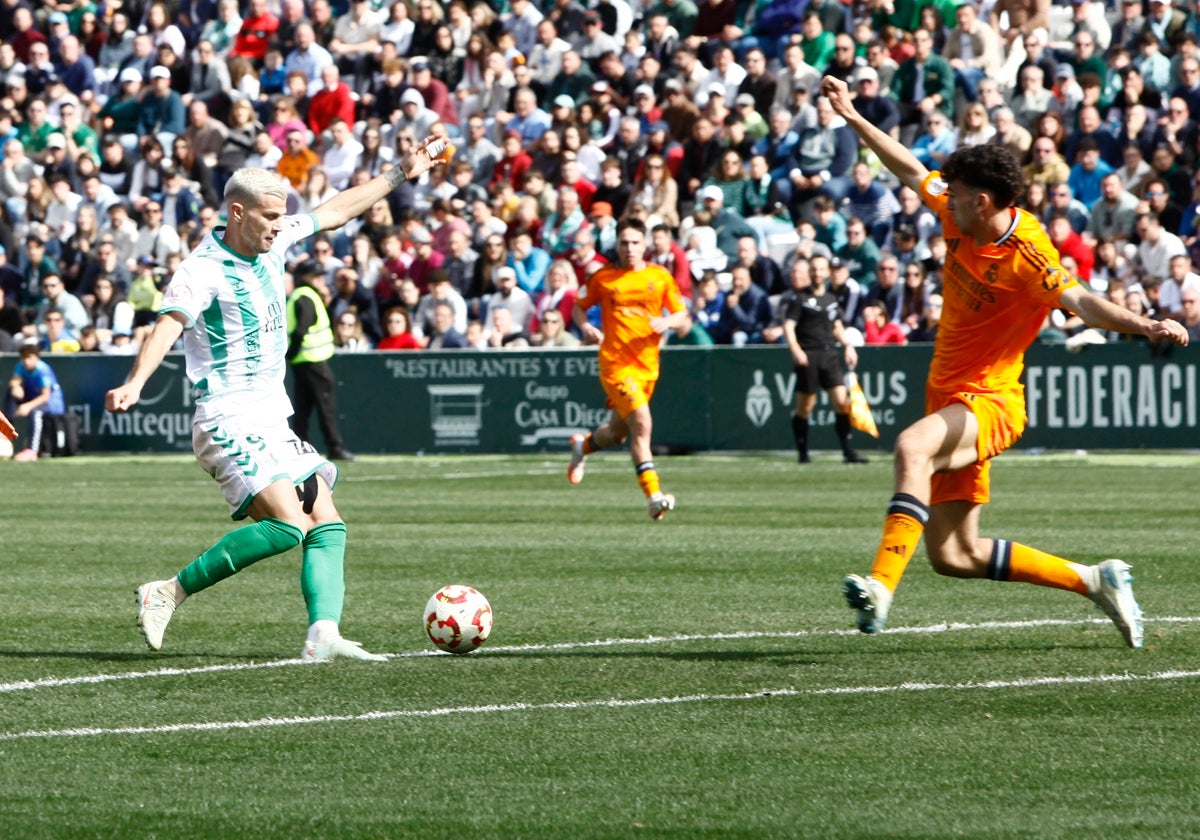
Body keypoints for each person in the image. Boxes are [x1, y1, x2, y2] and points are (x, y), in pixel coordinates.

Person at [820, 74, 1189, 649]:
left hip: (991, 400)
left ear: (982, 202)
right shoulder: (956, 207)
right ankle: (1094, 579)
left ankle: (880, 589)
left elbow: (1080, 300)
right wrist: (851, 116)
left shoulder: (1027, 254)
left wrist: (1144, 325)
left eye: (957, 193)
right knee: (954, 553)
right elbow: (911, 169)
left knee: (911, 447)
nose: (945, 198)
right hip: (946, 395)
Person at [104, 136, 449, 661]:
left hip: (270, 417)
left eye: (280, 217)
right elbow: (168, 325)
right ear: (237, 213)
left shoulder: (276, 236)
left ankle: (323, 635)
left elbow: (333, 212)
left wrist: (401, 172)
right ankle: (167, 591)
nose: (277, 225)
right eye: (268, 217)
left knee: (327, 522)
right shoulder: (203, 269)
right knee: (288, 525)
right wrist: (135, 383)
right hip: (225, 415)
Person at [567, 218, 688, 520]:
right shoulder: (604, 278)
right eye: (624, 242)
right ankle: (654, 497)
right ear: (617, 244)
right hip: (616, 364)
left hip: (647, 366)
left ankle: (582, 447)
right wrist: (585, 327)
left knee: (617, 433)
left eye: (635, 242)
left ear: (644, 245)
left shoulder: (659, 277)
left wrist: (667, 321)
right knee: (643, 424)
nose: (630, 248)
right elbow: (578, 306)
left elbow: (681, 313)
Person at [782, 259, 867, 465]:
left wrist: (847, 345)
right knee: (806, 406)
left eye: (820, 269)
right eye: (813, 270)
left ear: (827, 273)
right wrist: (796, 350)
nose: (817, 273)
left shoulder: (831, 299)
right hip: (809, 355)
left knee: (841, 401)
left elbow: (837, 325)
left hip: (829, 354)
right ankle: (803, 453)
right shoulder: (800, 298)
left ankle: (848, 452)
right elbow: (788, 326)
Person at [288, 260, 355, 462]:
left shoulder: (300, 296)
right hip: (313, 360)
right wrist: (291, 353)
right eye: (315, 275)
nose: (320, 278)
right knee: (325, 406)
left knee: (303, 409)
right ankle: (335, 447)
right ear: (304, 278)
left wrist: (291, 355)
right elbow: (301, 330)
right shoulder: (306, 297)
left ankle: (298, 447)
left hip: (304, 361)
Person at [6, 343, 66, 462]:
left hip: (51, 403)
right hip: (33, 399)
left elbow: (45, 396)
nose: (26, 361)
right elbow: (15, 381)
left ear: (36, 358)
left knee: (35, 412)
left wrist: (27, 406)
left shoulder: (43, 370)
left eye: (29, 357)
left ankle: (32, 450)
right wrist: (15, 387)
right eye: (24, 358)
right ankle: (6, 435)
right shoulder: (21, 366)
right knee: (10, 393)